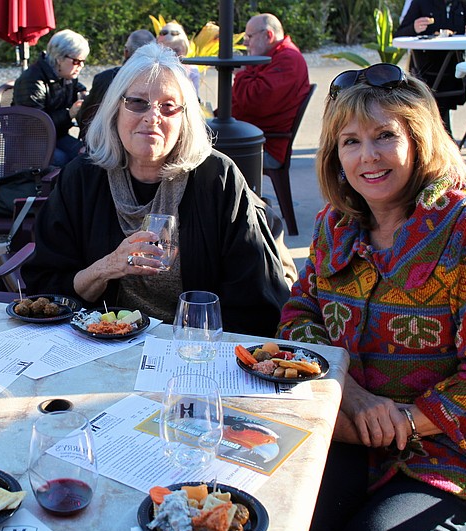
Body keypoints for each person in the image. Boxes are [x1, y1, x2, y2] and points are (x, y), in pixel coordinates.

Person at [278, 64, 466, 531]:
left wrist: (398, 422)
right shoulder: (334, 225)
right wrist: (347, 390)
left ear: (419, 139)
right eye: (350, 141)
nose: (368, 156)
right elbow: (300, 311)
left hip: (459, 456)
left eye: (385, 136)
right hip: (354, 434)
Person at [22, 43, 294, 336]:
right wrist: (107, 267)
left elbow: (255, 297)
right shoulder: (82, 177)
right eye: (137, 102)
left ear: (184, 119)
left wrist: (191, 342)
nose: (152, 117)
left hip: (195, 349)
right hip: (101, 344)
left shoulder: (217, 178)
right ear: (115, 110)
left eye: (168, 106)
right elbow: (46, 286)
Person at [231, 13, 310, 172]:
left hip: (263, 147)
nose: (245, 43)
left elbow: (255, 102)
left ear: (268, 35)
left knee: (198, 151)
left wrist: (240, 73)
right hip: (247, 136)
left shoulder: (287, 59)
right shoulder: (270, 56)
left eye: (249, 37)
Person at [396, 0, 466, 135]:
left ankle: (445, 142)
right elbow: (399, 34)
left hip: (452, 70)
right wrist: (414, 28)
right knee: (430, 109)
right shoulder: (420, 3)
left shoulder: (461, 3)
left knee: (444, 109)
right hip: (426, 69)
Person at [12, 29, 89, 167]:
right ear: (59, 58)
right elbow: (36, 126)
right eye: (77, 61)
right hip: (29, 142)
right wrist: (69, 113)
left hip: (56, 136)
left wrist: (85, 94)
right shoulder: (32, 81)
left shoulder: (66, 75)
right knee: (65, 162)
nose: (81, 66)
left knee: (88, 155)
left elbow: (78, 87)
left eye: (83, 61)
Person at [77, 29, 156, 138]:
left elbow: (85, 116)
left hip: (103, 146)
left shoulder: (104, 79)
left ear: (126, 52)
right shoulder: (161, 84)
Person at [156, 22, 201, 95]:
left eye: (176, 50)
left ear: (184, 50)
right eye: (166, 51)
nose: (172, 56)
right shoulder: (151, 69)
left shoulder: (192, 70)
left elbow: (195, 99)